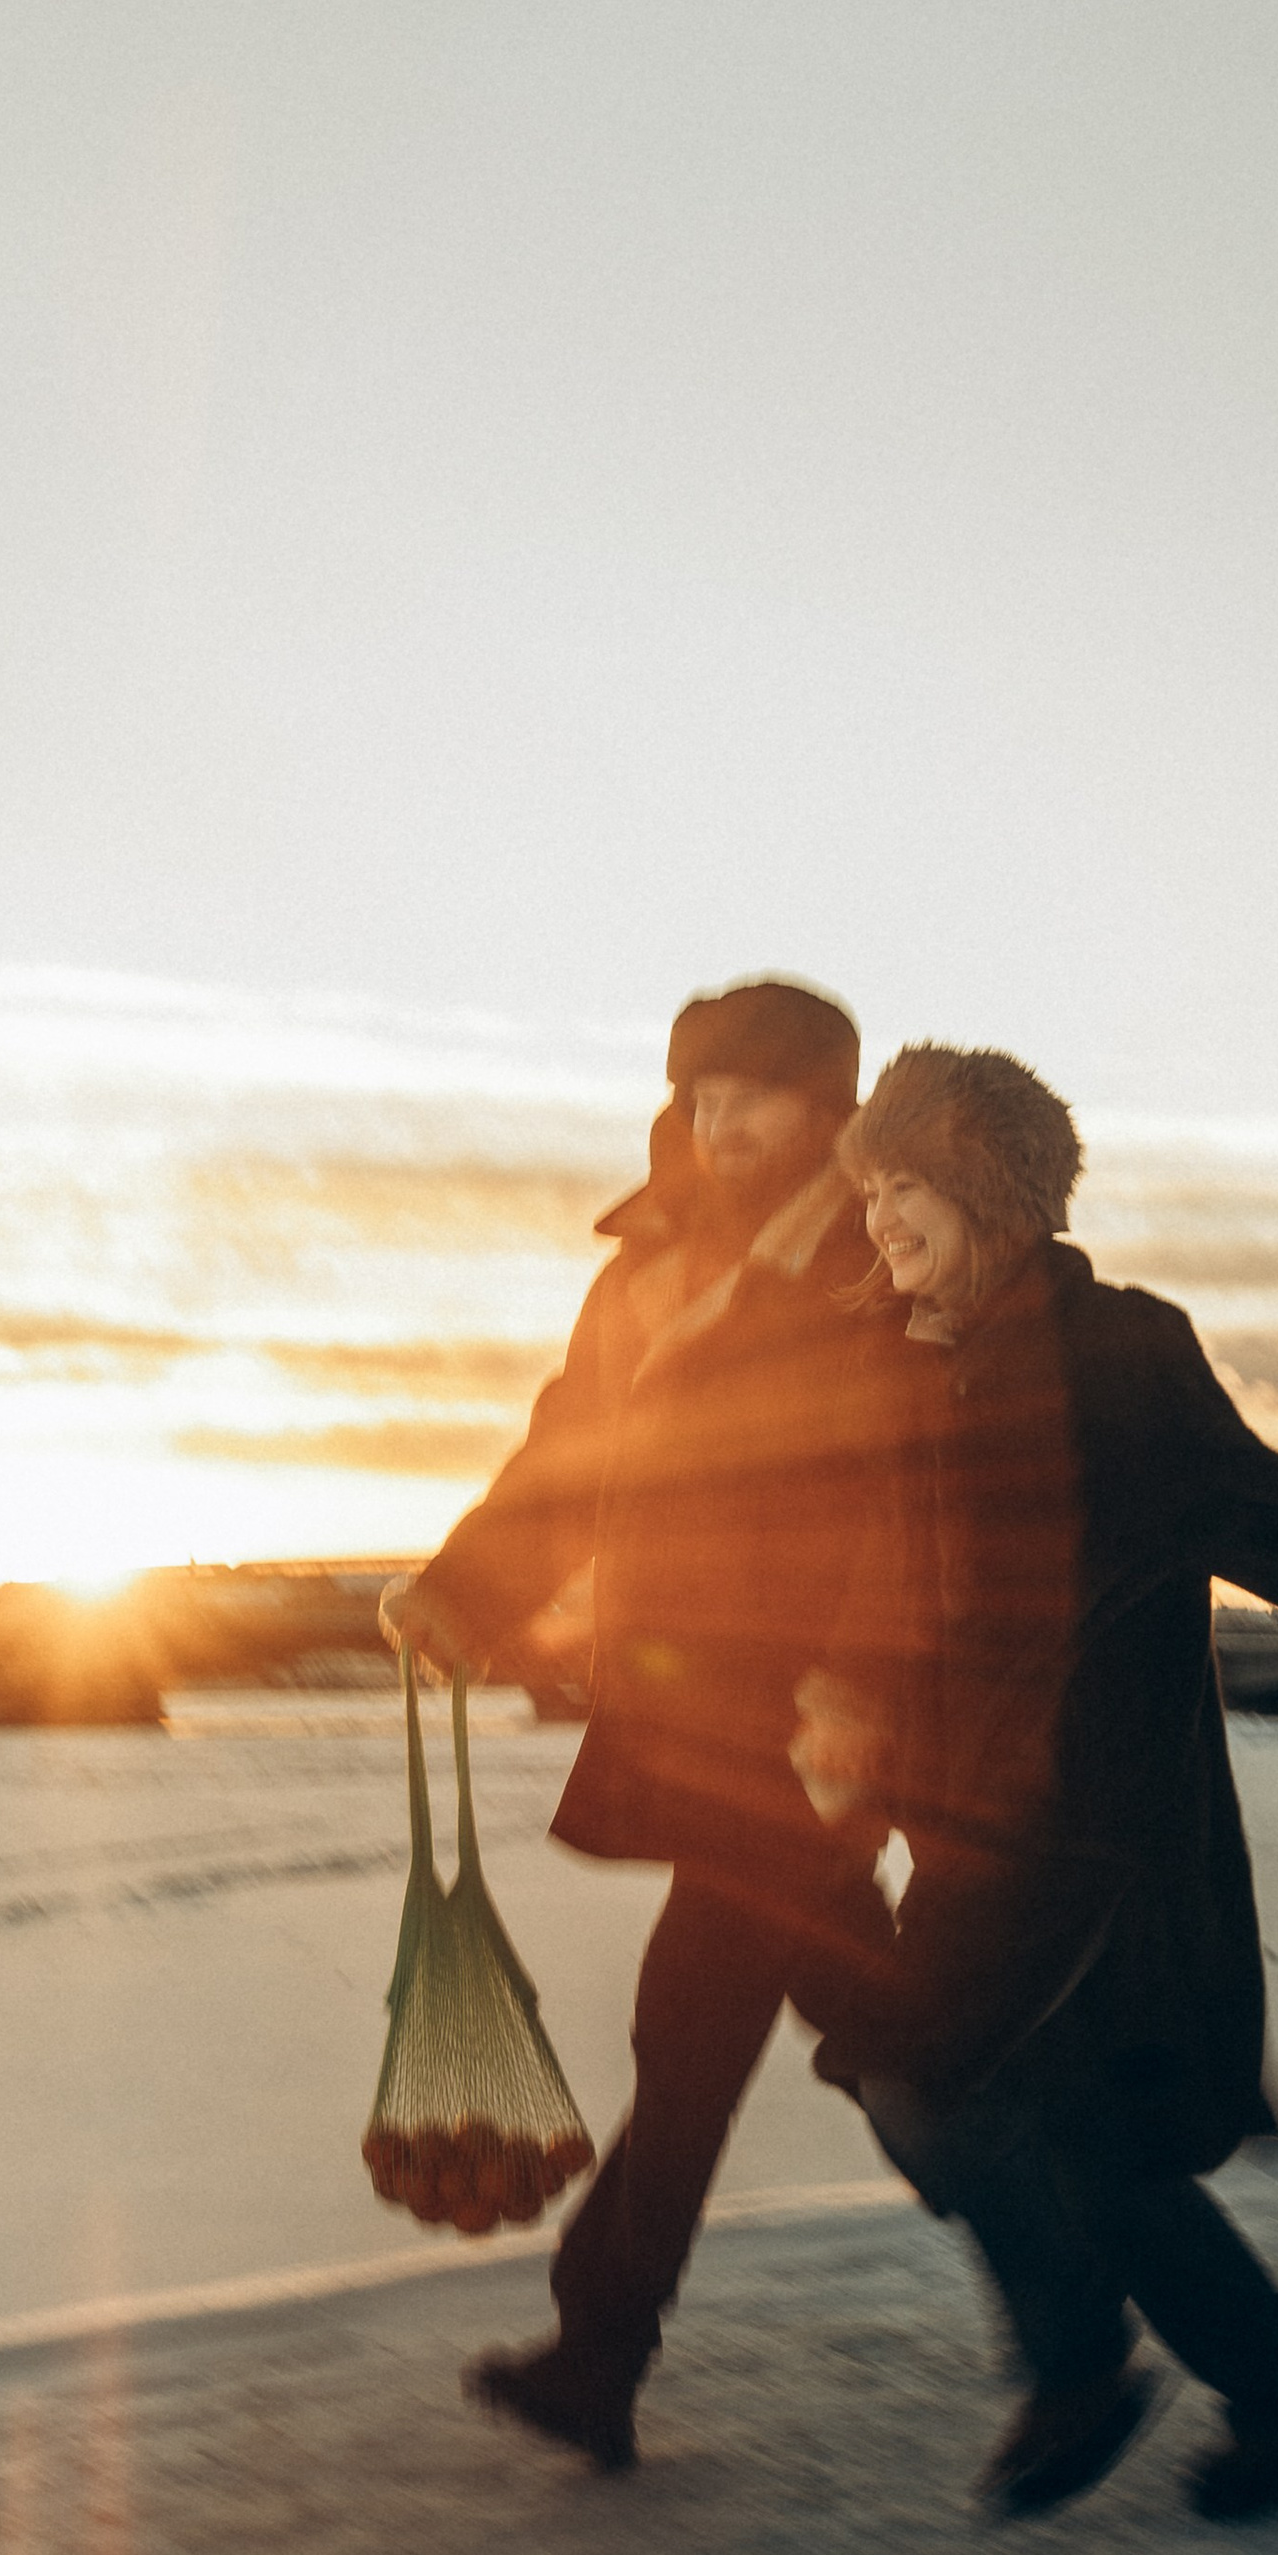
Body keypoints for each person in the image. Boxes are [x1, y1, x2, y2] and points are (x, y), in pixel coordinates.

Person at [821, 1044, 1278, 2521]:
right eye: (872, 1190)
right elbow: (870, 1584)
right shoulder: (889, 1370)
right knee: (1004, 2112)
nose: (881, 1219)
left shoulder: (1117, 1355)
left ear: (993, 1194)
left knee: (952, 2082)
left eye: (909, 1187)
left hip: (1100, 1830)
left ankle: (1087, 2364)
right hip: (967, 1826)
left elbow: (1265, 1505)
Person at [382, 975, 904, 2472]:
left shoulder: (876, 1264)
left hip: (809, 1727)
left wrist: (864, 1688)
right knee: (879, 2031)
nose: (723, 1125)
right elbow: (569, 1456)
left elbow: (916, 1500)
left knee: (733, 2028)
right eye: (703, 1098)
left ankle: (599, 2353)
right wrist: (465, 1595)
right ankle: (1151, 2291)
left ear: (829, 1110)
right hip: (703, 1716)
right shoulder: (645, 1276)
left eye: (757, 1099)